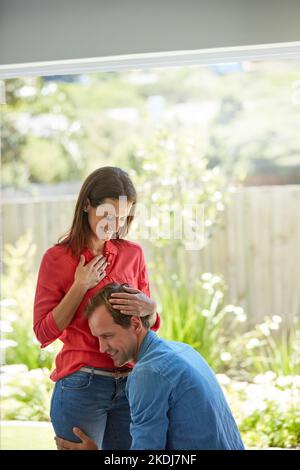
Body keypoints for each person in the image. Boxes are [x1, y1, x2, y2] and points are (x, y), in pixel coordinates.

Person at [33, 167, 160, 450]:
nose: (114, 225)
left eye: (123, 217)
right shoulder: (57, 259)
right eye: (107, 214)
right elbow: (43, 333)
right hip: (82, 385)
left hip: (132, 386)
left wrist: (151, 308)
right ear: (87, 205)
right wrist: (80, 285)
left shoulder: (132, 254)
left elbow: (149, 327)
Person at [55, 283, 245, 450]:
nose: (102, 348)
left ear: (135, 323)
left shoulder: (148, 372)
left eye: (107, 336)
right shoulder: (183, 350)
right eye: (98, 338)